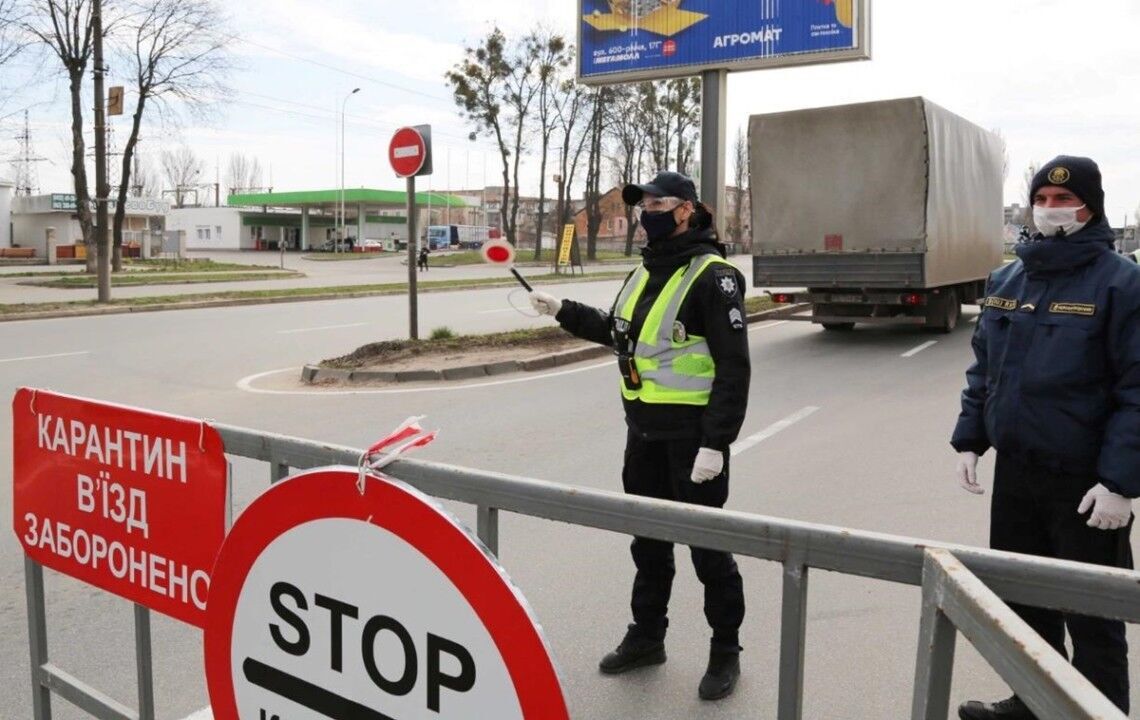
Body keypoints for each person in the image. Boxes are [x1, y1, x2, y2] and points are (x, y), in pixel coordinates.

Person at [528, 171, 751, 700]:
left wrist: (716, 444)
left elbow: (733, 369)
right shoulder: (645, 271)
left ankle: (725, 650)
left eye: (657, 201)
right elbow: (620, 332)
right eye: (641, 202)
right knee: (648, 545)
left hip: (693, 442)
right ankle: (648, 637)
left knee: (707, 550)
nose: (644, 210)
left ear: (685, 211)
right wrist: (564, 310)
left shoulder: (713, 277)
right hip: (644, 435)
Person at [951, 156, 1139, 719]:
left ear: (1091, 207)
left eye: (1065, 200)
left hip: (1084, 486)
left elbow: (1137, 388)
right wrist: (970, 438)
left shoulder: (1121, 284)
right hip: (1018, 474)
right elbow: (985, 368)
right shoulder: (1009, 277)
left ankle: (1097, 712)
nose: (1053, 209)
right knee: (1022, 601)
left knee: (1093, 618)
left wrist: (1120, 483)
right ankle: (1032, 702)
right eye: (1044, 199)